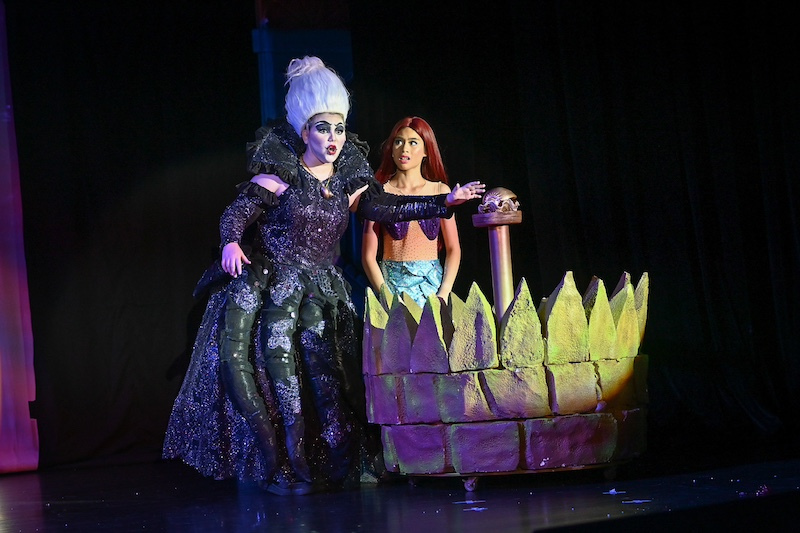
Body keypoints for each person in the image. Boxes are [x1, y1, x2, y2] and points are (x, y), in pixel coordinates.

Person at [163, 56, 484, 495]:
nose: (332, 138)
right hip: (274, 285)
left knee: (331, 378)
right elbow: (234, 215)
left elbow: (387, 208)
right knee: (279, 378)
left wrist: (442, 203)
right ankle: (283, 466)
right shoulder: (281, 177)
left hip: (321, 288)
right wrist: (231, 243)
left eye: (338, 129)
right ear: (304, 132)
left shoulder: (349, 182)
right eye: (322, 129)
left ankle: (337, 464)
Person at [361, 117, 462, 307]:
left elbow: (453, 249)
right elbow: (368, 255)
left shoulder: (440, 191)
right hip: (392, 289)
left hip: (432, 288)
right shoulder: (379, 193)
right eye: (398, 142)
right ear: (391, 149)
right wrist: (386, 296)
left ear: (426, 151)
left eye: (413, 143)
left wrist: (444, 292)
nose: (404, 149)